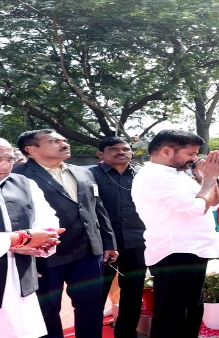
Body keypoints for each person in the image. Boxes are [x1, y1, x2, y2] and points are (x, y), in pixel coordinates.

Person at [13, 129, 118, 338]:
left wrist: (109, 241)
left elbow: (98, 208)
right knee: (48, 310)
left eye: (64, 140)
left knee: (90, 306)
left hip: (89, 251)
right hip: (47, 254)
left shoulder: (83, 172)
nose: (64, 144)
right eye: (54, 141)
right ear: (31, 149)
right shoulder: (19, 177)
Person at [131, 129, 219, 338]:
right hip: (174, 252)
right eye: (190, 154)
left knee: (191, 310)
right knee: (173, 314)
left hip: (193, 249)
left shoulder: (177, 175)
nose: (194, 159)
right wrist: (208, 179)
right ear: (166, 151)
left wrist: (206, 178)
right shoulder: (152, 176)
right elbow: (196, 207)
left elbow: (213, 203)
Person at [0, 136, 63, 338]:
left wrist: (41, 244)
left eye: (9, 159)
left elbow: (48, 220)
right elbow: (23, 237)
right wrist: (18, 239)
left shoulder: (24, 183)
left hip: (19, 280)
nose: (5, 166)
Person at [89, 137, 145, 338]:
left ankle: (126, 334)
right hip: (101, 245)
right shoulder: (88, 176)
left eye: (125, 148)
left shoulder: (142, 175)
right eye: (114, 149)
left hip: (137, 242)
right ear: (101, 154)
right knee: (96, 294)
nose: (121, 152)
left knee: (133, 293)